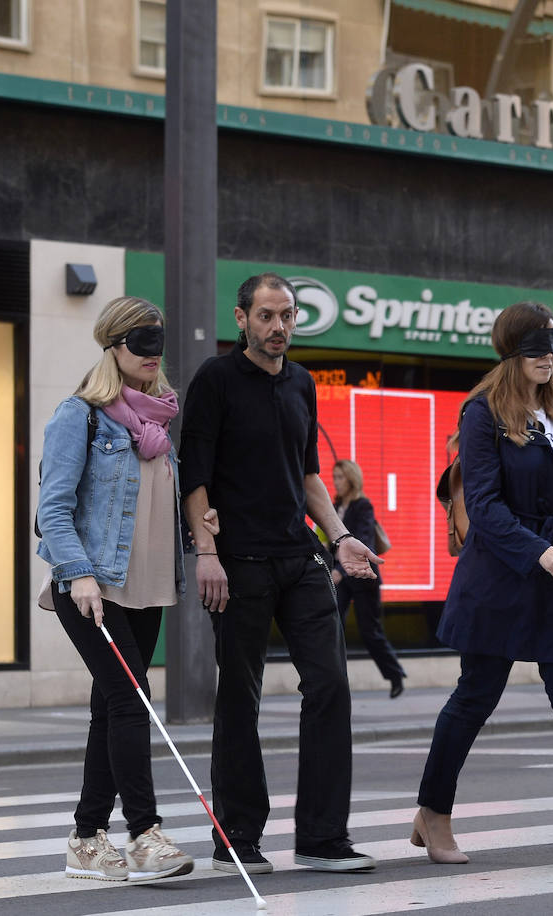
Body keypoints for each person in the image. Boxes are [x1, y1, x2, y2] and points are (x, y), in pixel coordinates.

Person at [412, 302, 553, 872]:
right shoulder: (482, 413)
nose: (549, 357)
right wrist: (540, 551)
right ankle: (432, 813)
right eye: (538, 348)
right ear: (513, 352)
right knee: (475, 697)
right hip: (501, 580)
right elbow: (485, 507)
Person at [179, 272, 381, 875]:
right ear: (241, 319)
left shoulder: (302, 383)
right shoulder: (215, 379)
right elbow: (194, 475)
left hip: (300, 558)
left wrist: (341, 537)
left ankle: (322, 838)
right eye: (266, 316)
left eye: (287, 315)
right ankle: (237, 838)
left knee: (331, 686)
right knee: (240, 698)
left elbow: (309, 476)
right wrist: (207, 553)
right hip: (238, 563)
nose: (278, 327)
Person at [38, 296, 211, 883]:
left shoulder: (158, 420)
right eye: (140, 341)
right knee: (132, 701)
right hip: (93, 586)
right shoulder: (79, 415)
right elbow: (53, 510)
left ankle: (87, 838)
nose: (152, 352)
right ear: (113, 344)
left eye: (158, 341)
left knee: (110, 711)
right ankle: (144, 834)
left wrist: (200, 529)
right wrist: (79, 573)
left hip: (147, 587)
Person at [330, 459, 407, 698]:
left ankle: (395, 675)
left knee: (370, 631)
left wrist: (340, 571)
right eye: (334, 477)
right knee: (333, 628)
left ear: (352, 479)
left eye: (341, 477)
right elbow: (327, 540)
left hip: (363, 577)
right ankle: (334, 680)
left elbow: (363, 540)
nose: (336, 482)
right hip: (340, 578)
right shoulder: (334, 506)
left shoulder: (363, 506)